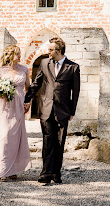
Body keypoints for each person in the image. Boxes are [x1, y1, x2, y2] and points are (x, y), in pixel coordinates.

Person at [24, 37, 80, 185]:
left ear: (59, 51)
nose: (47, 52)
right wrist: (26, 99)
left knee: (60, 143)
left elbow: (76, 92)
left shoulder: (73, 67)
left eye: (50, 49)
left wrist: (72, 111)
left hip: (63, 110)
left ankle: (56, 173)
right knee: (48, 141)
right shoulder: (44, 63)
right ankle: (45, 173)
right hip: (46, 108)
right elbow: (36, 83)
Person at [0, 45, 32, 182]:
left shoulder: (24, 70)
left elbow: (28, 88)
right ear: (10, 55)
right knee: (5, 137)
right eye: (17, 54)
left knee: (16, 137)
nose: (20, 56)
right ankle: (4, 170)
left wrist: (28, 103)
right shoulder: (0, 71)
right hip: (4, 106)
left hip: (19, 106)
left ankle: (13, 170)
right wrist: (2, 91)